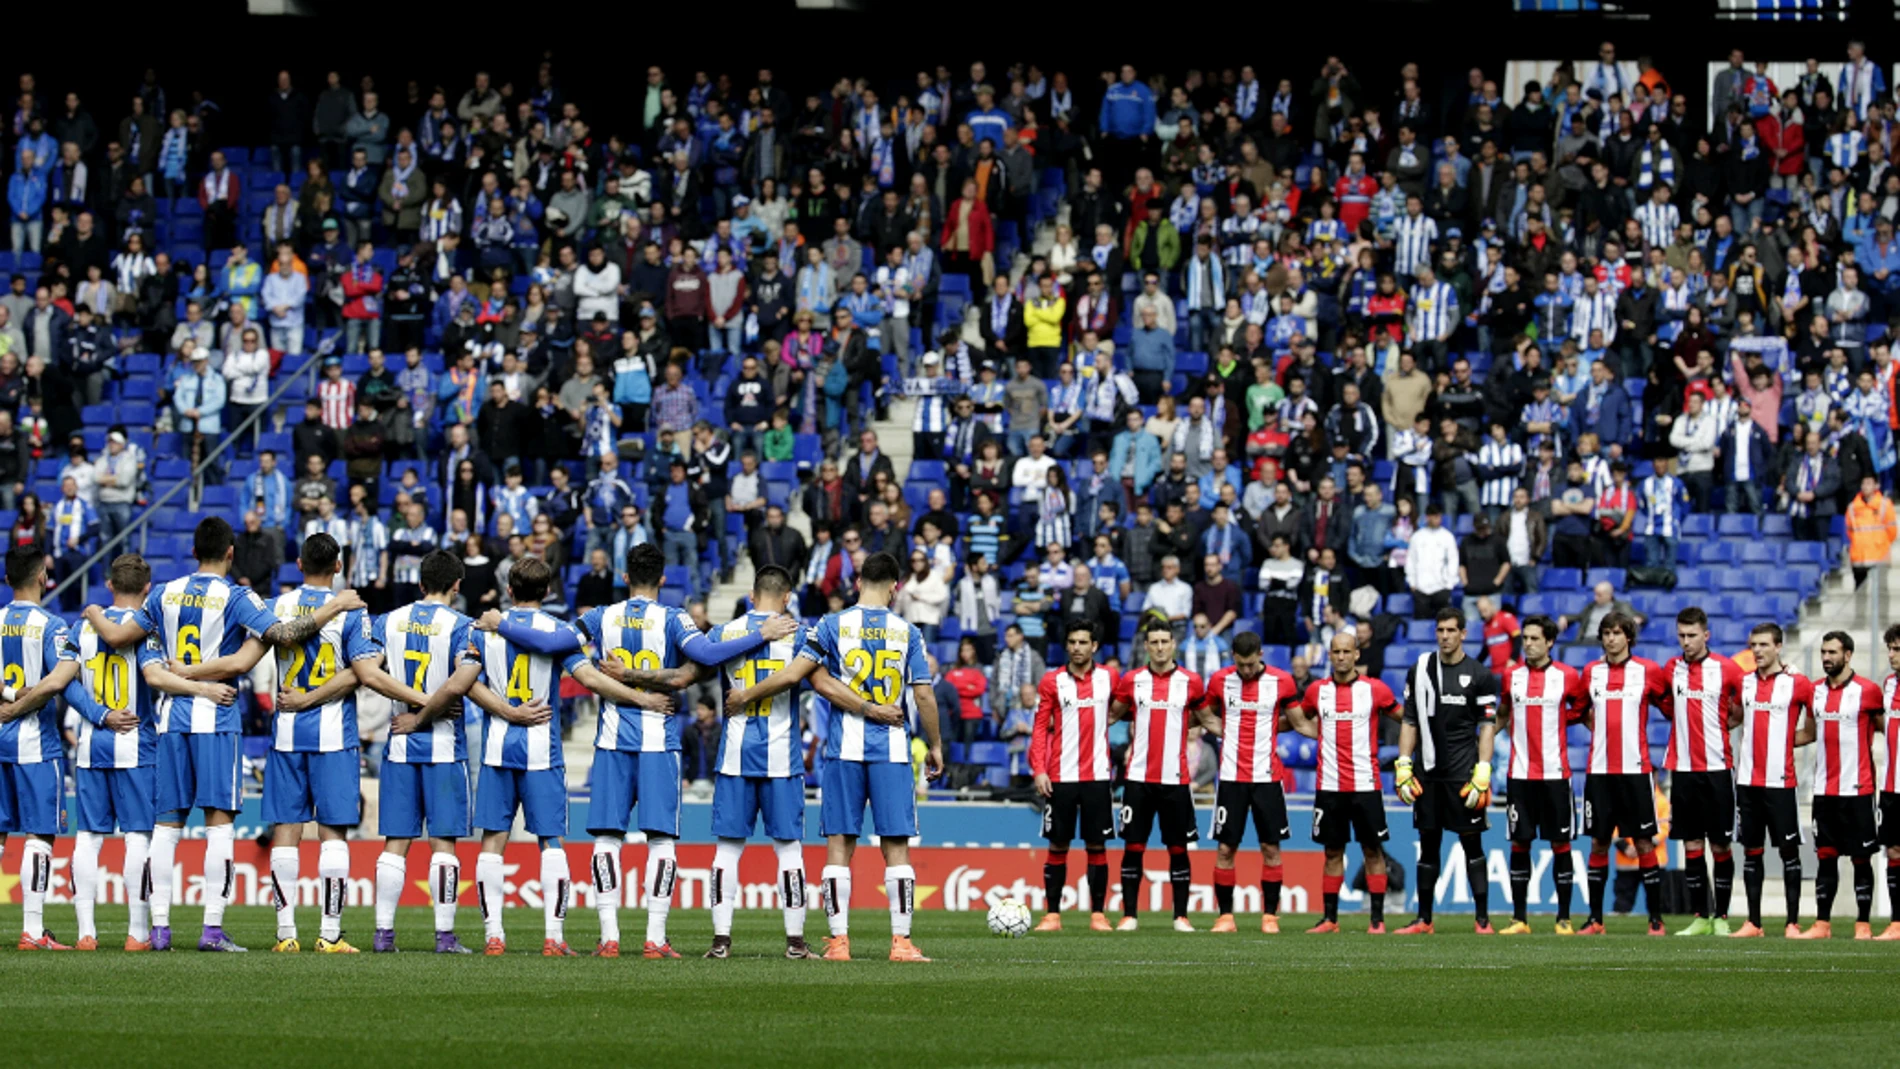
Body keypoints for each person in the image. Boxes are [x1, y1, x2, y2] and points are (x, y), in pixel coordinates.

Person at [83, 517, 364, 953]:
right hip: (217, 718)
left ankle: (159, 929)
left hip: (173, 720)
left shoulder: (162, 594)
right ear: (231, 553)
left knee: (166, 827)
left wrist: (95, 611)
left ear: (193, 552)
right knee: (219, 826)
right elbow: (280, 636)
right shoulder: (238, 597)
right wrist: (334, 606)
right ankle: (212, 930)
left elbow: (120, 637)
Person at [411, 556, 658, 957]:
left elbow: (465, 683)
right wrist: (641, 699)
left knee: (493, 841)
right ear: (547, 592)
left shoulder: (486, 629)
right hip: (542, 748)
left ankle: (494, 936)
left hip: (497, 748)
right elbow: (590, 678)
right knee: (551, 841)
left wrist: (505, 711)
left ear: (509, 590)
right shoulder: (558, 632)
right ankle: (553, 938)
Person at [566, 543, 798, 958]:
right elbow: (706, 656)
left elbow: (562, 637)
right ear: (662, 579)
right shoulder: (674, 618)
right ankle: (654, 939)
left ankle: (609, 938)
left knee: (606, 838)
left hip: (611, 739)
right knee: (661, 841)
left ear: (624, 577)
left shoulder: (600, 616)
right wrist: (761, 632)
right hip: (658, 740)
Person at [724, 550, 943, 963]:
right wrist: (935, 745)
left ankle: (839, 942)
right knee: (896, 846)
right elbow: (924, 694)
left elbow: (800, 676)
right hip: (893, 750)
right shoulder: (908, 632)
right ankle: (901, 943)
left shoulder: (830, 625)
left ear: (858, 583)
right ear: (895, 588)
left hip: (844, 750)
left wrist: (746, 695)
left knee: (840, 843)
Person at [64, 554, 232, 951]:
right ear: (146, 589)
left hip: (92, 743)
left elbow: (65, 683)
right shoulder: (148, 630)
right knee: (137, 837)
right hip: (138, 743)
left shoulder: (82, 626)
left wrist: (99, 714)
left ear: (108, 586)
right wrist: (205, 687)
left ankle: (86, 933)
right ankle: (138, 932)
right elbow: (157, 676)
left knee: (88, 837)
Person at [702, 565, 847, 959]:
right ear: (787, 598)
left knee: (727, 849)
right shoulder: (801, 635)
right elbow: (821, 683)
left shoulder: (724, 633)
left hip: (734, 755)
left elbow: (695, 665)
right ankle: (795, 943)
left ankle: (720, 941)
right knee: (789, 850)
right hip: (782, 757)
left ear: (752, 595)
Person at [368, 550, 483, 953]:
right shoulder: (463, 626)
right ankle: (445, 936)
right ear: (457, 584)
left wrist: (409, 713)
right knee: (444, 843)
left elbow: (369, 672)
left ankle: (383, 934)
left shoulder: (388, 621)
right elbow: (457, 685)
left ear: (420, 584)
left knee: (395, 842)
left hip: (398, 743)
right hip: (442, 744)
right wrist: (424, 716)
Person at [0, 546, 98, 949]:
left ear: (7, 580)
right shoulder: (53, 625)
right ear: (43, 577)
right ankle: (33, 930)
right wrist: (20, 704)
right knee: (40, 834)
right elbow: (59, 681)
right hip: (35, 745)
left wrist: (8, 695)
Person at [1392, 609, 1501, 935]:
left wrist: (1483, 770)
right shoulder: (1421, 671)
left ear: (1463, 634)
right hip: (1427, 774)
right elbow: (1409, 720)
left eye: (1451, 630)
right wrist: (1403, 763)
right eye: (1440, 630)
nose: (1445, 636)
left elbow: (1487, 725)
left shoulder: (1480, 674)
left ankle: (1482, 920)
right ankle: (1424, 919)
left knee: (1472, 845)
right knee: (1428, 845)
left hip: (1462, 775)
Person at [1284, 629, 1399, 934]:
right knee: (1332, 852)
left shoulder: (1376, 690)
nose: (1342, 657)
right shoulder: (1316, 691)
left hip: (1366, 784)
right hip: (1329, 786)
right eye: (1336, 652)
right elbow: (1297, 720)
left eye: (1347, 651)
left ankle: (1377, 920)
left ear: (1357, 654)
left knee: (1372, 851)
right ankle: (1330, 919)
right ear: (1330, 655)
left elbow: (1406, 718)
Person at [1108, 619, 1214, 932]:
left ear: (1173, 644)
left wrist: (1241, 732)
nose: (1159, 647)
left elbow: (1206, 718)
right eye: (1153, 642)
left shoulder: (1191, 682)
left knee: (1178, 849)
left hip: (1176, 779)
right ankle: (1129, 915)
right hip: (1138, 779)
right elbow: (1110, 715)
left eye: (1164, 642)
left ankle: (1181, 916)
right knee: (1133, 847)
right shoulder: (1132, 680)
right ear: (1146, 646)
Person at [1202, 631, 1301, 934]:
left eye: (1250, 664)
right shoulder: (1219, 680)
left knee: (1270, 848)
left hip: (1267, 778)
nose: (1246, 670)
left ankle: (1270, 917)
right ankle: (1226, 917)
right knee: (1224, 849)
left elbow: (1297, 720)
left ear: (1260, 654)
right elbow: (1204, 712)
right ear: (1233, 656)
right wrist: (1226, 731)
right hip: (1231, 778)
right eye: (1240, 664)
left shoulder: (1282, 681)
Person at [1578, 612, 1669, 936]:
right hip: (1600, 772)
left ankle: (1655, 920)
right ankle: (1596, 920)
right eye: (1606, 633)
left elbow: (1670, 706)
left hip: (1636, 772)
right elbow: (1576, 710)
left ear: (1628, 637)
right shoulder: (1591, 672)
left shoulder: (1648, 671)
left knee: (1644, 842)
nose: (1611, 638)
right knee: (1599, 843)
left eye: (1617, 633)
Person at [1791, 631, 1884, 940]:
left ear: (1848, 655)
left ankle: (1863, 924)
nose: (1826, 657)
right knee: (1825, 856)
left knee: (1861, 858)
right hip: (1824, 791)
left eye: (1832, 652)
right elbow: (1809, 733)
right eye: (1823, 652)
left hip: (1858, 790)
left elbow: (1887, 729)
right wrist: (1776, 742)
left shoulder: (1868, 691)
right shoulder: (1814, 692)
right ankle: (1822, 923)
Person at [1498, 615, 1587, 934]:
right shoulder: (1511, 676)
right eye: (1525, 638)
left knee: (1560, 845)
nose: (1529, 644)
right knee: (1520, 845)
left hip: (1555, 775)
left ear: (1550, 642)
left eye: (1535, 638)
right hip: (1519, 775)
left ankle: (1563, 917)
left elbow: (1581, 709)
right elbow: (1504, 713)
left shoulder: (1567, 676)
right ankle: (1519, 918)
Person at [1662, 606, 1745, 937]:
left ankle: (1722, 916)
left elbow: (1742, 707)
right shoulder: (1672, 668)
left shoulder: (1727, 669)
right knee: (1691, 845)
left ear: (1706, 635)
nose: (1686, 642)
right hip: (1682, 770)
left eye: (1692, 635)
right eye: (1681, 635)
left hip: (1717, 768)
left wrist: (1725, 726)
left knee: (1720, 845)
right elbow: (1666, 704)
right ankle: (1700, 916)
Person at [1030, 622, 1119, 933]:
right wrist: (1039, 768)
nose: (1077, 647)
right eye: (1072, 642)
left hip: (1097, 776)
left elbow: (1124, 708)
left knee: (1097, 846)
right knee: (1057, 845)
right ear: (1066, 646)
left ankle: (1098, 914)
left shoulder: (1110, 678)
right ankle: (1052, 915)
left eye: (1083, 642)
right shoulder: (1052, 681)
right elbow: (1040, 727)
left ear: (1094, 646)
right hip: (1060, 776)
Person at [1731, 621, 1814, 939]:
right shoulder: (1745, 683)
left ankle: (1792, 923)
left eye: (1764, 645)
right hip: (1748, 782)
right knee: (1751, 851)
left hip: (1781, 782)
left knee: (1788, 852)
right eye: (1753, 645)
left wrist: (1782, 743)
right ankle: (1754, 922)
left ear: (1778, 646)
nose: (1757, 651)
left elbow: (1812, 729)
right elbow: (1737, 718)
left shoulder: (1798, 683)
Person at [1846, 475, 1896, 589]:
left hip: (1879, 556)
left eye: (1869, 483)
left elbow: (1892, 531)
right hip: (1859, 557)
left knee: (1882, 595)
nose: (1865, 487)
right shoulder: (1853, 507)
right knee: (1860, 597)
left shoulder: (1885, 505)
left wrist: (1881, 544)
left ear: (1876, 486)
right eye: (1863, 484)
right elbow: (1849, 531)